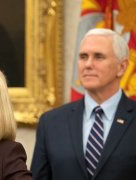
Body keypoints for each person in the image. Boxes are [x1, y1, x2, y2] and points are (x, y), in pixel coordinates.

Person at [31, 28, 136, 180]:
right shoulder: (51, 123)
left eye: (98, 57)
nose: (88, 64)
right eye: (83, 57)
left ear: (122, 67)